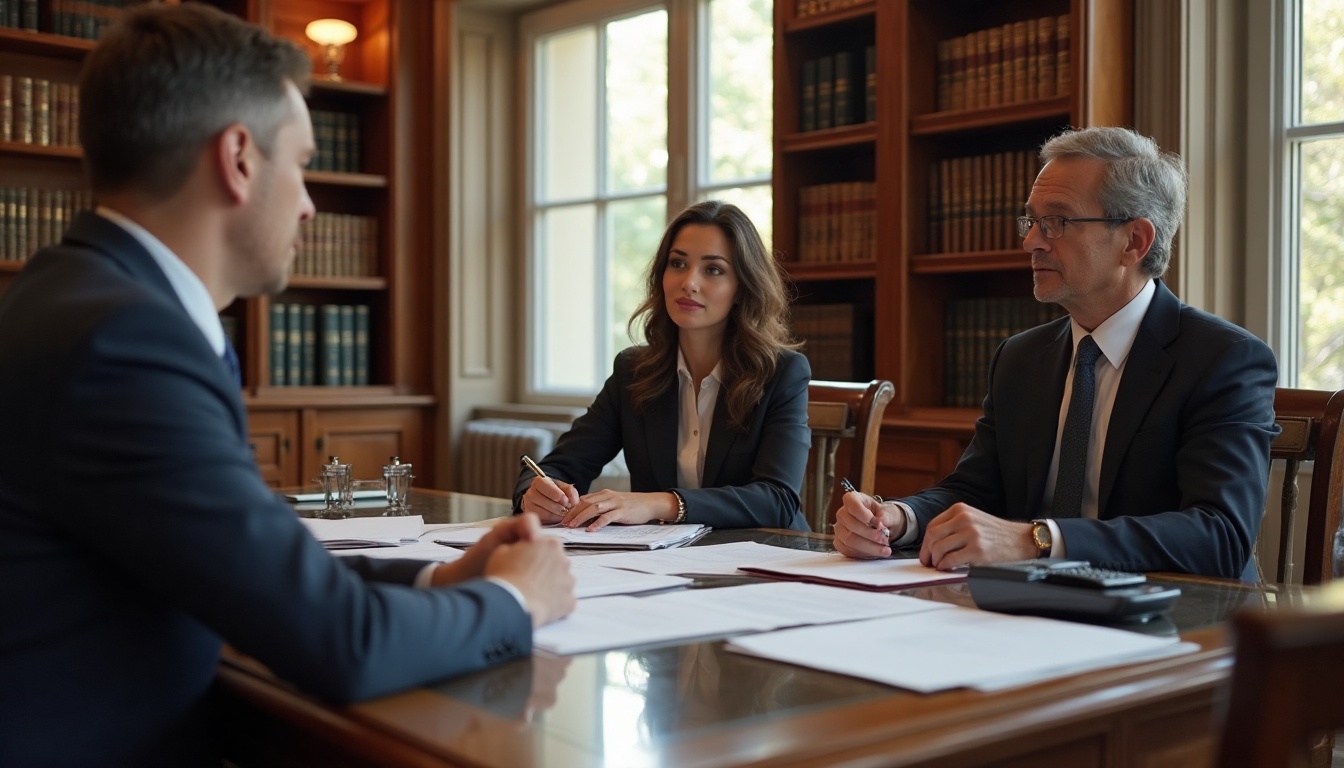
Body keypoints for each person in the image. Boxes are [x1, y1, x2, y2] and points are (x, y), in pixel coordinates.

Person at [0, 5, 575, 765]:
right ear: (238, 158)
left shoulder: (69, 296)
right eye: (300, 162)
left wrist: (445, 574)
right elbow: (343, 643)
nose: (309, 201)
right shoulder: (128, 344)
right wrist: (517, 599)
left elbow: (241, 564)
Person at [834, 126, 1279, 580]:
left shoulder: (1224, 359)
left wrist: (1038, 539)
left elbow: (1219, 535)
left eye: (1058, 222)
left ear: (1134, 242)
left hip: (1173, 623)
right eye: (1031, 221)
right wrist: (897, 519)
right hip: (1031, 609)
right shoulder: (1021, 357)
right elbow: (976, 490)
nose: (1031, 242)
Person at [512, 200, 811, 531]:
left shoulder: (782, 373)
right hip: (661, 561)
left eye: (713, 269)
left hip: (763, 561)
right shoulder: (634, 371)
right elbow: (559, 466)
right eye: (678, 264)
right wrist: (535, 494)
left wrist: (662, 502)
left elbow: (777, 500)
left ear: (742, 288)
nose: (689, 283)